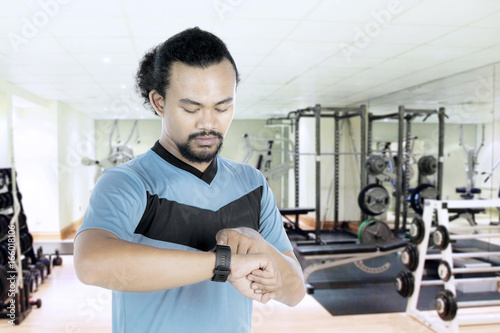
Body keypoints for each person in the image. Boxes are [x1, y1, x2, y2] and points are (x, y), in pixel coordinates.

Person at [73, 27, 306, 333]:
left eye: (223, 107)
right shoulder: (128, 182)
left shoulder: (253, 183)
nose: (209, 123)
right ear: (159, 102)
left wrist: (262, 249)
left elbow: (295, 291)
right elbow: (91, 264)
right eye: (191, 108)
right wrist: (223, 263)